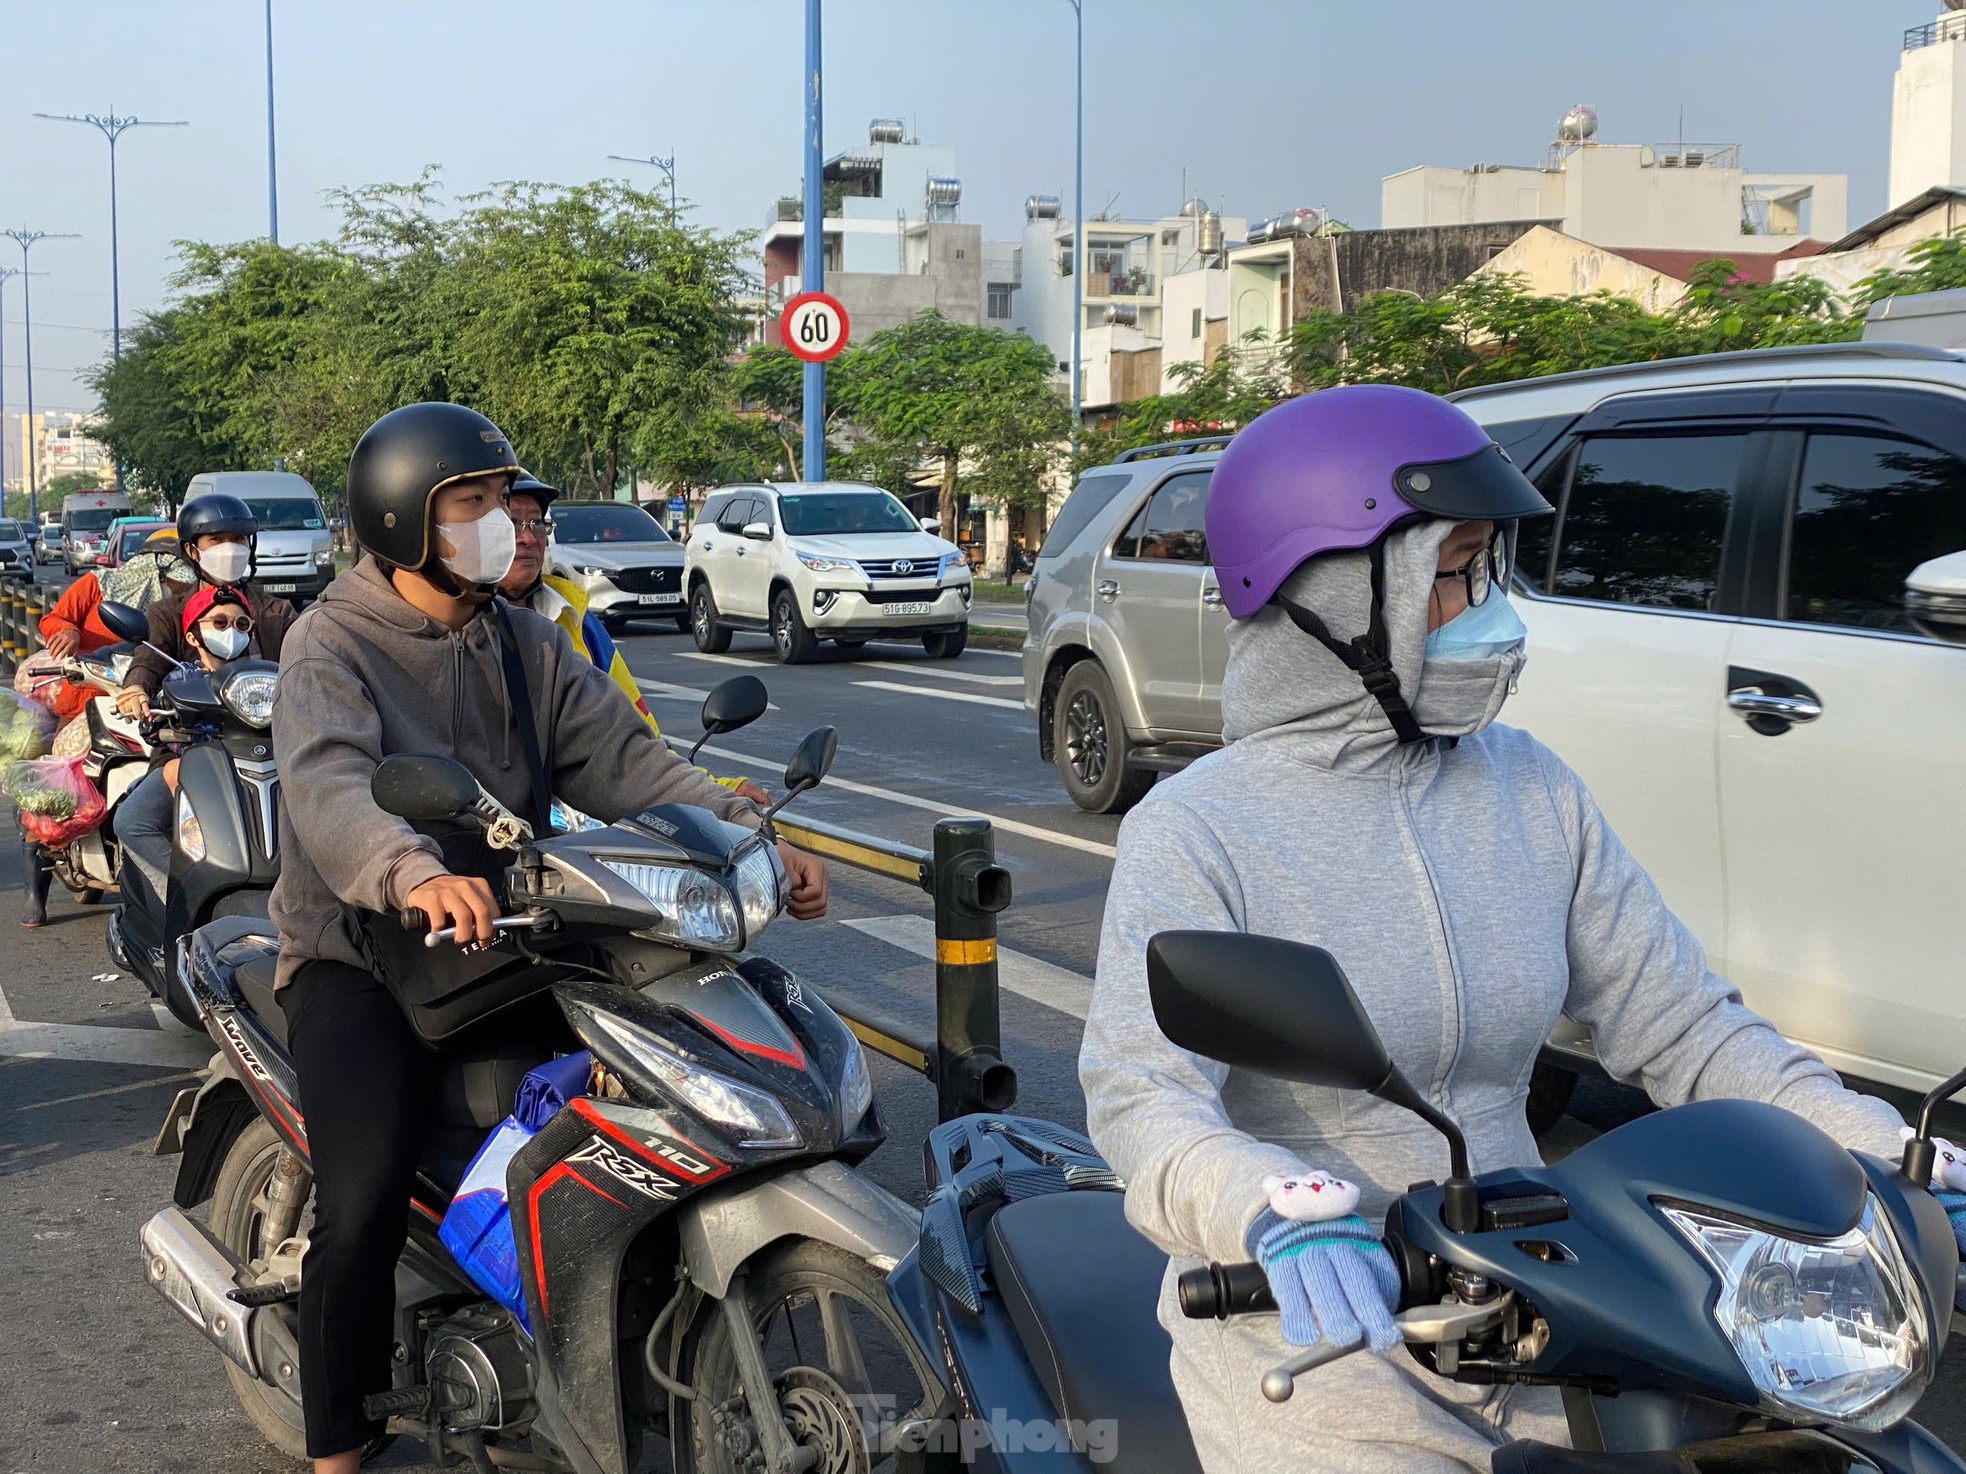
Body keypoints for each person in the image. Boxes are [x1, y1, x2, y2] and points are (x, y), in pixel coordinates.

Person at [1077, 385, 1915, 1474]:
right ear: (1335, 594)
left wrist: (1877, 1147)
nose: (1489, 607)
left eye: (1488, 567)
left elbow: (1685, 1028)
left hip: (1545, 1308)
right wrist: (1269, 1213)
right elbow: (1143, 1098)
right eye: (1454, 570)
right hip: (1320, 1333)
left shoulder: (1531, 790)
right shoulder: (1197, 829)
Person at [270, 402, 829, 1473]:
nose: (502, 524)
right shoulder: (327, 644)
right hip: (359, 957)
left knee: (645, 1100)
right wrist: (411, 870)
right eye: (470, 504)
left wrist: (750, 835)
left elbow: (629, 763)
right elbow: (330, 787)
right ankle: (336, 1444)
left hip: (511, 935)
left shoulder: (525, 641)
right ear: (400, 520)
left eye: (505, 500)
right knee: (365, 1189)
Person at [496, 473, 767, 804]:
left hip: (583, 813)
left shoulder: (579, 624)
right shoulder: (459, 629)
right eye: (511, 524)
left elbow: (637, 731)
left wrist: (714, 789)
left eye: (536, 523)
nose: (527, 537)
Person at [18, 530, 201, 927]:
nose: (183, 587)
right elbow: (55, 618)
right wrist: (66, 632)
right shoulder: (94, 586)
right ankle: (36, 892)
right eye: (178, 579)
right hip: (84, 696)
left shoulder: (183, 607)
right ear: (154, 570)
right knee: (56, 787)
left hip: (148, 700)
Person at [113, 586, 260, 904]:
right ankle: (183, 895)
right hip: (196, 771)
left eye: (241, 624)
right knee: (131, 822)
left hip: (259, 768)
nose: (231, 632)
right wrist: (148, 710)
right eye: (219, 623)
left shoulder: (265, 675)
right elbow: (153, 730)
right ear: (193, 637)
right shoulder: (181, 680)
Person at [118, 493, 297, 710]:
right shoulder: (168, 614)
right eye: (217, 540)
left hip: (268, 724)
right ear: (192, 550)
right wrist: (136, 687)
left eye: (238, 539)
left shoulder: (278, 612)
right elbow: (150, 659)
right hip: (200, 728)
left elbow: (304, 666)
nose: (230, 549)